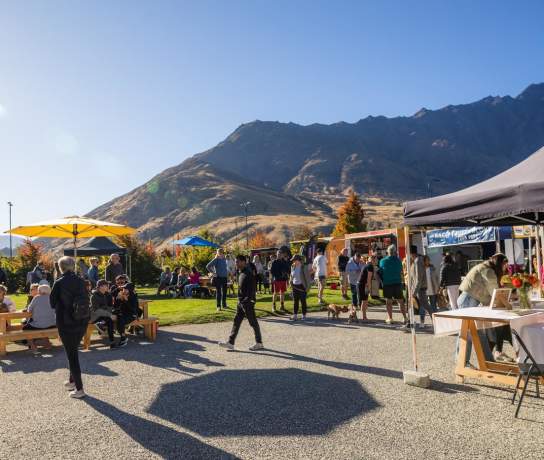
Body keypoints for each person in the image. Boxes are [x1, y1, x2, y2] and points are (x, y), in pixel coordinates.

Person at [50, 256, 90, 399]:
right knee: (73, 350)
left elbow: (52, 303)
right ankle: (73, 382)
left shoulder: (59, 282)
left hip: (66, 322)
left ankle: (80, 389)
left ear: (60, 267)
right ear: (73, 266)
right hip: (82, 320)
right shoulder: (81, 280)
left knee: (72, 355)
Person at [457, 253, 509, 363]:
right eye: (505, 264)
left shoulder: (487, 268)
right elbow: (495, 292)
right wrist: (506, 303)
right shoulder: (488, 271)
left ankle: (487, 359)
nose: (505, 267)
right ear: (499, 263)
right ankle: (463, 362)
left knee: (480, 332)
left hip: (471, 299)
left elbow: (493, 293)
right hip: (468, 300)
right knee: (467, 333)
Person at [219, 255, 263, 351]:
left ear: (244, 262)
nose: (236, 263)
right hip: (241, 302)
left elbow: (252, 288)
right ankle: (231, 343)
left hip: (247, 302)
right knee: (236, 321)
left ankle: (259, 343)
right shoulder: (240, 272)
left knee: (253, 322)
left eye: (238, 261)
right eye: (235, 261)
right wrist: (240, 301)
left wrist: (249, 300)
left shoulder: (248, 273)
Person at [379, 245, 407, 325]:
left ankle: (390, 318)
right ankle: (404, 317)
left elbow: (381, 271)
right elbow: (400, 270)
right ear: (395, 252)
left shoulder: (382, 261)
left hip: (387, 283)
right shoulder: (398, 261)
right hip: (397, 283)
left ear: (387, 252)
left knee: (388, 302)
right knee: (400, 301)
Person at [23, 284, 56, 351]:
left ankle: (32, 345)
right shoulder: (53, 298)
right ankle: (47, 343)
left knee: (25, 328)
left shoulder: (37, 298)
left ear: (40, 291)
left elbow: (29, 310)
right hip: (52, 324)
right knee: (43, 324)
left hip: (39, 325)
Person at [408, 246, 434, 329]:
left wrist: (414, 292)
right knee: (424, 305)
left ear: (411, 253)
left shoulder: (418, 261)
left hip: (420, 288)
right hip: (419, 288)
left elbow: (418, 278)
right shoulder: (417, 260)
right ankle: (411, 322)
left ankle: (435, 322)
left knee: (426, 305)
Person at [112, 282, 139, 347]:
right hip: (122, 314)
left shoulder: (133, 297)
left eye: (126, 289)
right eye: (123, 288)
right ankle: (122, 337)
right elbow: (116, 306)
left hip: (131, 315)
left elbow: (133, 310)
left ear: (130, 290)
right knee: (117, 317)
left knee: (120, 320)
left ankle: (123, 338)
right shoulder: (121, 294)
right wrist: (117, 299)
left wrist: (126, 300)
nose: (124, 290)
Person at [90, 279, 115, 346]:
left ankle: (112, 341)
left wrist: (111, 313)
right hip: (95, 317)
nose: (108, 287)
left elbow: (110, 307)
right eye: (106, 285)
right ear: (100, 287)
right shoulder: (94, 296)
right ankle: (100, 324)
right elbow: (97, 311)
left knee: (112, 318)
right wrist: (109, 314)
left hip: (105, 315)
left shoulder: (108, 295)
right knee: (109, 319)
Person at [290, 255, 311, 321]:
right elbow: (291, 275)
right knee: (295, 302)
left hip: (302, 286)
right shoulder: (293, 266)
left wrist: (308, 288)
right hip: (294, 286)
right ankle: (295, 315)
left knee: (303, 301)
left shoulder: (303, 267)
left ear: (298, 260)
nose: (293, 261)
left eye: (294, 260)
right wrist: (290, 281)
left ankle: (304, 315)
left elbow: (307, 278)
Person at [358, 256, 374, 321]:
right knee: (364, 301)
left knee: (365, 301)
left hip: (361, 284)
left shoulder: (367, 265)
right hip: (363, 285)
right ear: (373, 260)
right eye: (376, 259)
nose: (377, 261)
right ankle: (364, 317)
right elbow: (368, 280)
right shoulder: (370, 266)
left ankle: (364, 317)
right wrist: (370, 290)